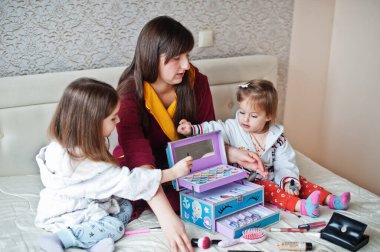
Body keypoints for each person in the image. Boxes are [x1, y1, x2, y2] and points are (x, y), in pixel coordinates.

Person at [114, 15, 265, 218]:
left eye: (187, 56)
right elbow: (143, 171)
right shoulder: (129, 94)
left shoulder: (197, 82)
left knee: (232, 191)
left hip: (190, 164)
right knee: (177, 203)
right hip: (148, 170)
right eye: (177, 58)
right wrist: (168, 219)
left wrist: (232, 153)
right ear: (151, 56)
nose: (186, 66)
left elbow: (207, 136)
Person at [35, 78, 195, 252]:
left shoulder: (68, 146)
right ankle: (62, 238)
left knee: (126, 205)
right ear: (93, 123)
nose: (118, 121)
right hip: (69, 213)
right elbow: (130, 182)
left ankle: (94, 241)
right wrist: (173, 172)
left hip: (86, 201)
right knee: (116, 227)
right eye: (113, 118)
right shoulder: (83, 161)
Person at [178, 79, 351, 218]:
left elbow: (285, 163)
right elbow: (212, 128)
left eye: (253, 116)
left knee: (301, 181)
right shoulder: (232, 127)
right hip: (248, 180)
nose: (245, 119)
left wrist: (289, 181)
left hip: (274, 174)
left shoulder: (278, 139)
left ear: (268, 116)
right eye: (241, 112)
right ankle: (302, 207)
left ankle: (331, 199)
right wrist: (192, 129)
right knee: (270, 191)